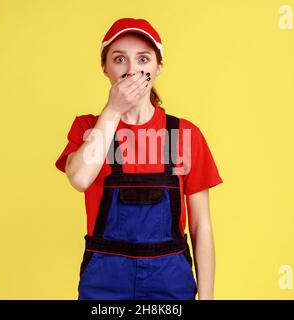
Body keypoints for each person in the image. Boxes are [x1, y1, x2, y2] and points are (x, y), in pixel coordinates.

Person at [55, 18, 223, 300]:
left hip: (170, 285)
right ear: (105, 68)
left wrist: (206, 298)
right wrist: (112, 111)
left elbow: (200, 225)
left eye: (143, 59)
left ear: (158, 68)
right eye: (119, 59)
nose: (132, 69)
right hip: (104, 286)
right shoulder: (88, 129)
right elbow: (81, 178)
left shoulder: (185, 134)